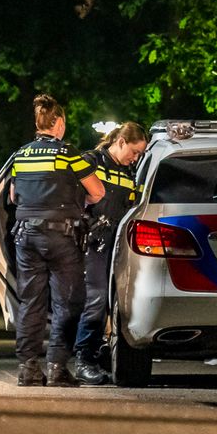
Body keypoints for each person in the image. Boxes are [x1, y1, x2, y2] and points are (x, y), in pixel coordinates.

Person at [10, 94, 106, 387]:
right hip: (61, 236)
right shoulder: (67, 153)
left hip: (26, 236)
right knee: (67, 303)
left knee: (30, 302)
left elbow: (14, 197)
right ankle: (56, 368)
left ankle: (27, 368)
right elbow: (98, 192)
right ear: (59, 122)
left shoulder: (21, 154)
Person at [72, 122, 147, 384]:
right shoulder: (92, 161)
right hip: (93, 243)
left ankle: (98, 353)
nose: (135, 158)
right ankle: (84, 359)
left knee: (111, 302)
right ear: (122, 142)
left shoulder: (129, 173)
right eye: (134, 152)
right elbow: (70, 195)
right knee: (96, 299)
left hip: (118, 245)